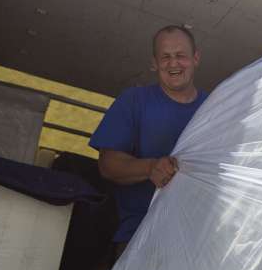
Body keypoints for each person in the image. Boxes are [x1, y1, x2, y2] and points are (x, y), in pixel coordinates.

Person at [89, 24, 208, 253]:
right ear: (154, 63)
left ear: (196, 58)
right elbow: (107, 164)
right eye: (165, 57)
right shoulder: (134, 100)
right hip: (137, 239)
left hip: (197, 241)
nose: (173, 64)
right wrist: (150, 167)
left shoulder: (215, 108)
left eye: (180, 56)